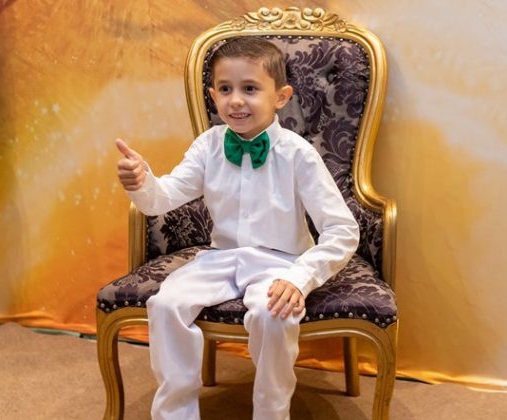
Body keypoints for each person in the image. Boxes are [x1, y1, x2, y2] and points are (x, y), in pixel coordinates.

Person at [115, 37, 359, 420]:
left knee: (273, 314)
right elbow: (162, 199)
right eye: (225, 89)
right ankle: (175, 414)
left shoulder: (298, 154)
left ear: (280, 97)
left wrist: (300, 279)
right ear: (213, 95)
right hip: (220, 258)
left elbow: (342, 230)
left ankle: (271, 414)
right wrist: (142, 182)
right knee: (164, 304)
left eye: (250, 89)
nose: (236, 101)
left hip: (280, 263)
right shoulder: (208, 146)